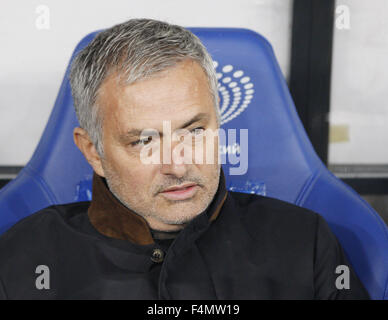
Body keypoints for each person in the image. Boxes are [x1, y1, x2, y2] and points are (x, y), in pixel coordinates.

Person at [0, 19, 369, 299]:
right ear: (93, 151)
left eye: (194, 132)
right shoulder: (26, 257)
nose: (178, 165)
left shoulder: (305, 243)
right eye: (145, 140)